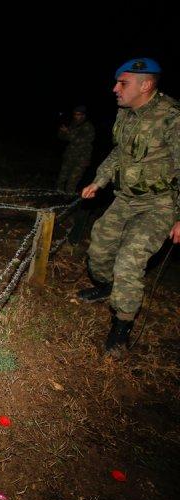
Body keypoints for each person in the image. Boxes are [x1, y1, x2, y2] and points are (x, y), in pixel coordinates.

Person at [77, 58, 180, 353]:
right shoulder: (126, 113)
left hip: (159, 204)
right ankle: (108, 286)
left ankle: (121, 326)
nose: (115, 89)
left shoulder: (172, 117)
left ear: (146, 85)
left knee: (129, 260)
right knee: (99, 247)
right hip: (125, 199)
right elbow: (118, 153)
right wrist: (98, 182)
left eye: (123, 83)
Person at [57, 105, 95, 194]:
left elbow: (82, 140)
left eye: (78, 114)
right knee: (62, 177)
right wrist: (62, 132)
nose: (76, 116)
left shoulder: (88, 127)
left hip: (82, 158)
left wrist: (68, 132)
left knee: (73, 180)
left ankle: (68, 199)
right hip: (70, 155)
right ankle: (58, 195)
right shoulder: (73, 124)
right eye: (75, 114)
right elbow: (63, 138)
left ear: (83, 115)